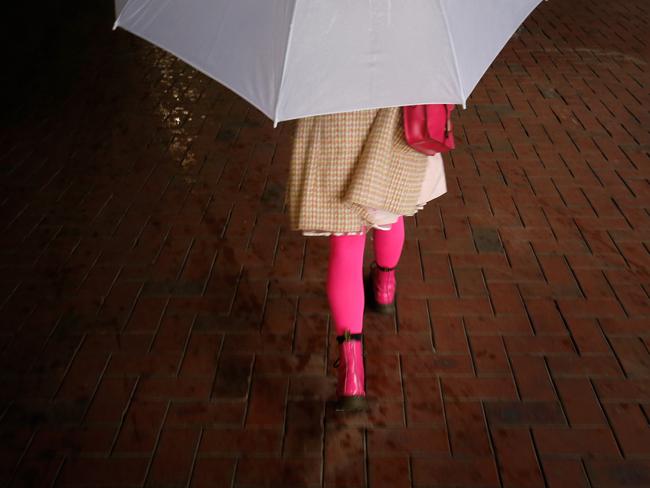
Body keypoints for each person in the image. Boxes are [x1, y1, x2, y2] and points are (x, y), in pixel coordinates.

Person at [287, 106, 448, 411]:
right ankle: (384, 286)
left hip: (336, 123)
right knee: (391, 209)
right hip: (391, 123)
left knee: (346, 247)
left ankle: (352, 374)